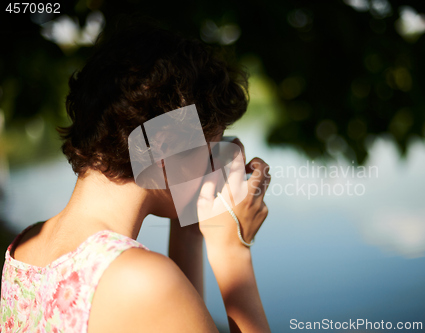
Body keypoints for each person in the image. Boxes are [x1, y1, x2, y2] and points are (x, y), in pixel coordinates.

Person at [0, 19, 271, 333]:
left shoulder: (26, 249)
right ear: (166, 149)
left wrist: (190, 232)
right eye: (212, 145)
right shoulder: (141, 279)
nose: (216, 161)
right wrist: (232, 251)